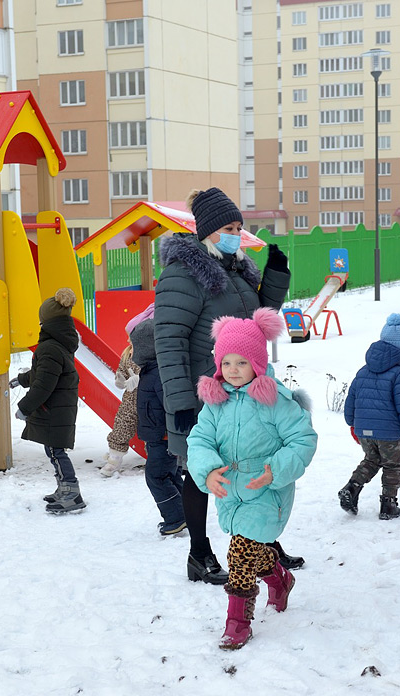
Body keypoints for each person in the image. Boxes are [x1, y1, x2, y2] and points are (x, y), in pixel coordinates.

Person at [154, 187, 295, 585]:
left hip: (243, 390)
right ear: (208, 231)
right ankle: (199, 554)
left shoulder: (236, 269)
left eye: (239, 227)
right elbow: (169, 340)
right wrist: (181, 399)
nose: (236, 234)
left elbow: (257, 322)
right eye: (228, 227)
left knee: (254, 462)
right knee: (202, 473)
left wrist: (275, 277)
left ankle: (263, 545)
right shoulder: (183, 274)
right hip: (205, 394)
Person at [186, 309, 317, 649]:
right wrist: (207, 469)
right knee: (253, 552)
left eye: (241, 363)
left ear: (257, 364)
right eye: (226, 363)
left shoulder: (275, 401)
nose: (232, 371)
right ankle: (279, 578)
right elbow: (200, 440)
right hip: (230, 491)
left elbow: (302, 439)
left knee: (240, 554)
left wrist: (277, 468)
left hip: (266, 490)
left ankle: (238, 622)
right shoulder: (216, 402)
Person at [339, 313, 400, 520]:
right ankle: (389, 504)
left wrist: (352, 424)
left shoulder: (363, 371)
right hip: (389, 433)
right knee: (392, 465)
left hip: (364, 430)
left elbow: (352, 399)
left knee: (372, 459)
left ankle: (352, 487)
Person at [13, 288, 84, 514]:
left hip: (54, 408)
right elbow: (43, 374)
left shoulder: (49, 347)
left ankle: (71, 493)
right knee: (53, 450)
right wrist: (22, 379)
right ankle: (64, 488)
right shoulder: (60, 342)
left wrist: (24, 407)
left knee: (56, 451)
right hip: (59, 406)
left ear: (46, 322)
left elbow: (44, 384)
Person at [129, 317, 186, 535]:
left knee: (156, 477)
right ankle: (185, 512)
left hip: (162, 437)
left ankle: (176, 517)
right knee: (169, 475)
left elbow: (170, 405)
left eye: (135, 346)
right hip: (160, 436)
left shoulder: (158, 374)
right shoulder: (154, 370)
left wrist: (170, 434)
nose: (132, 352)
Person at [99, 341, 139, 477]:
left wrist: (140, 379)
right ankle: (114, 460)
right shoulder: (127, 353)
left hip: (150, 399)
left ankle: (156, 459)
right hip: (129, 400)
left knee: (151, 429)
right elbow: (122, 371)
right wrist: (120, 380)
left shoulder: (150, 352)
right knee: (121, 427)